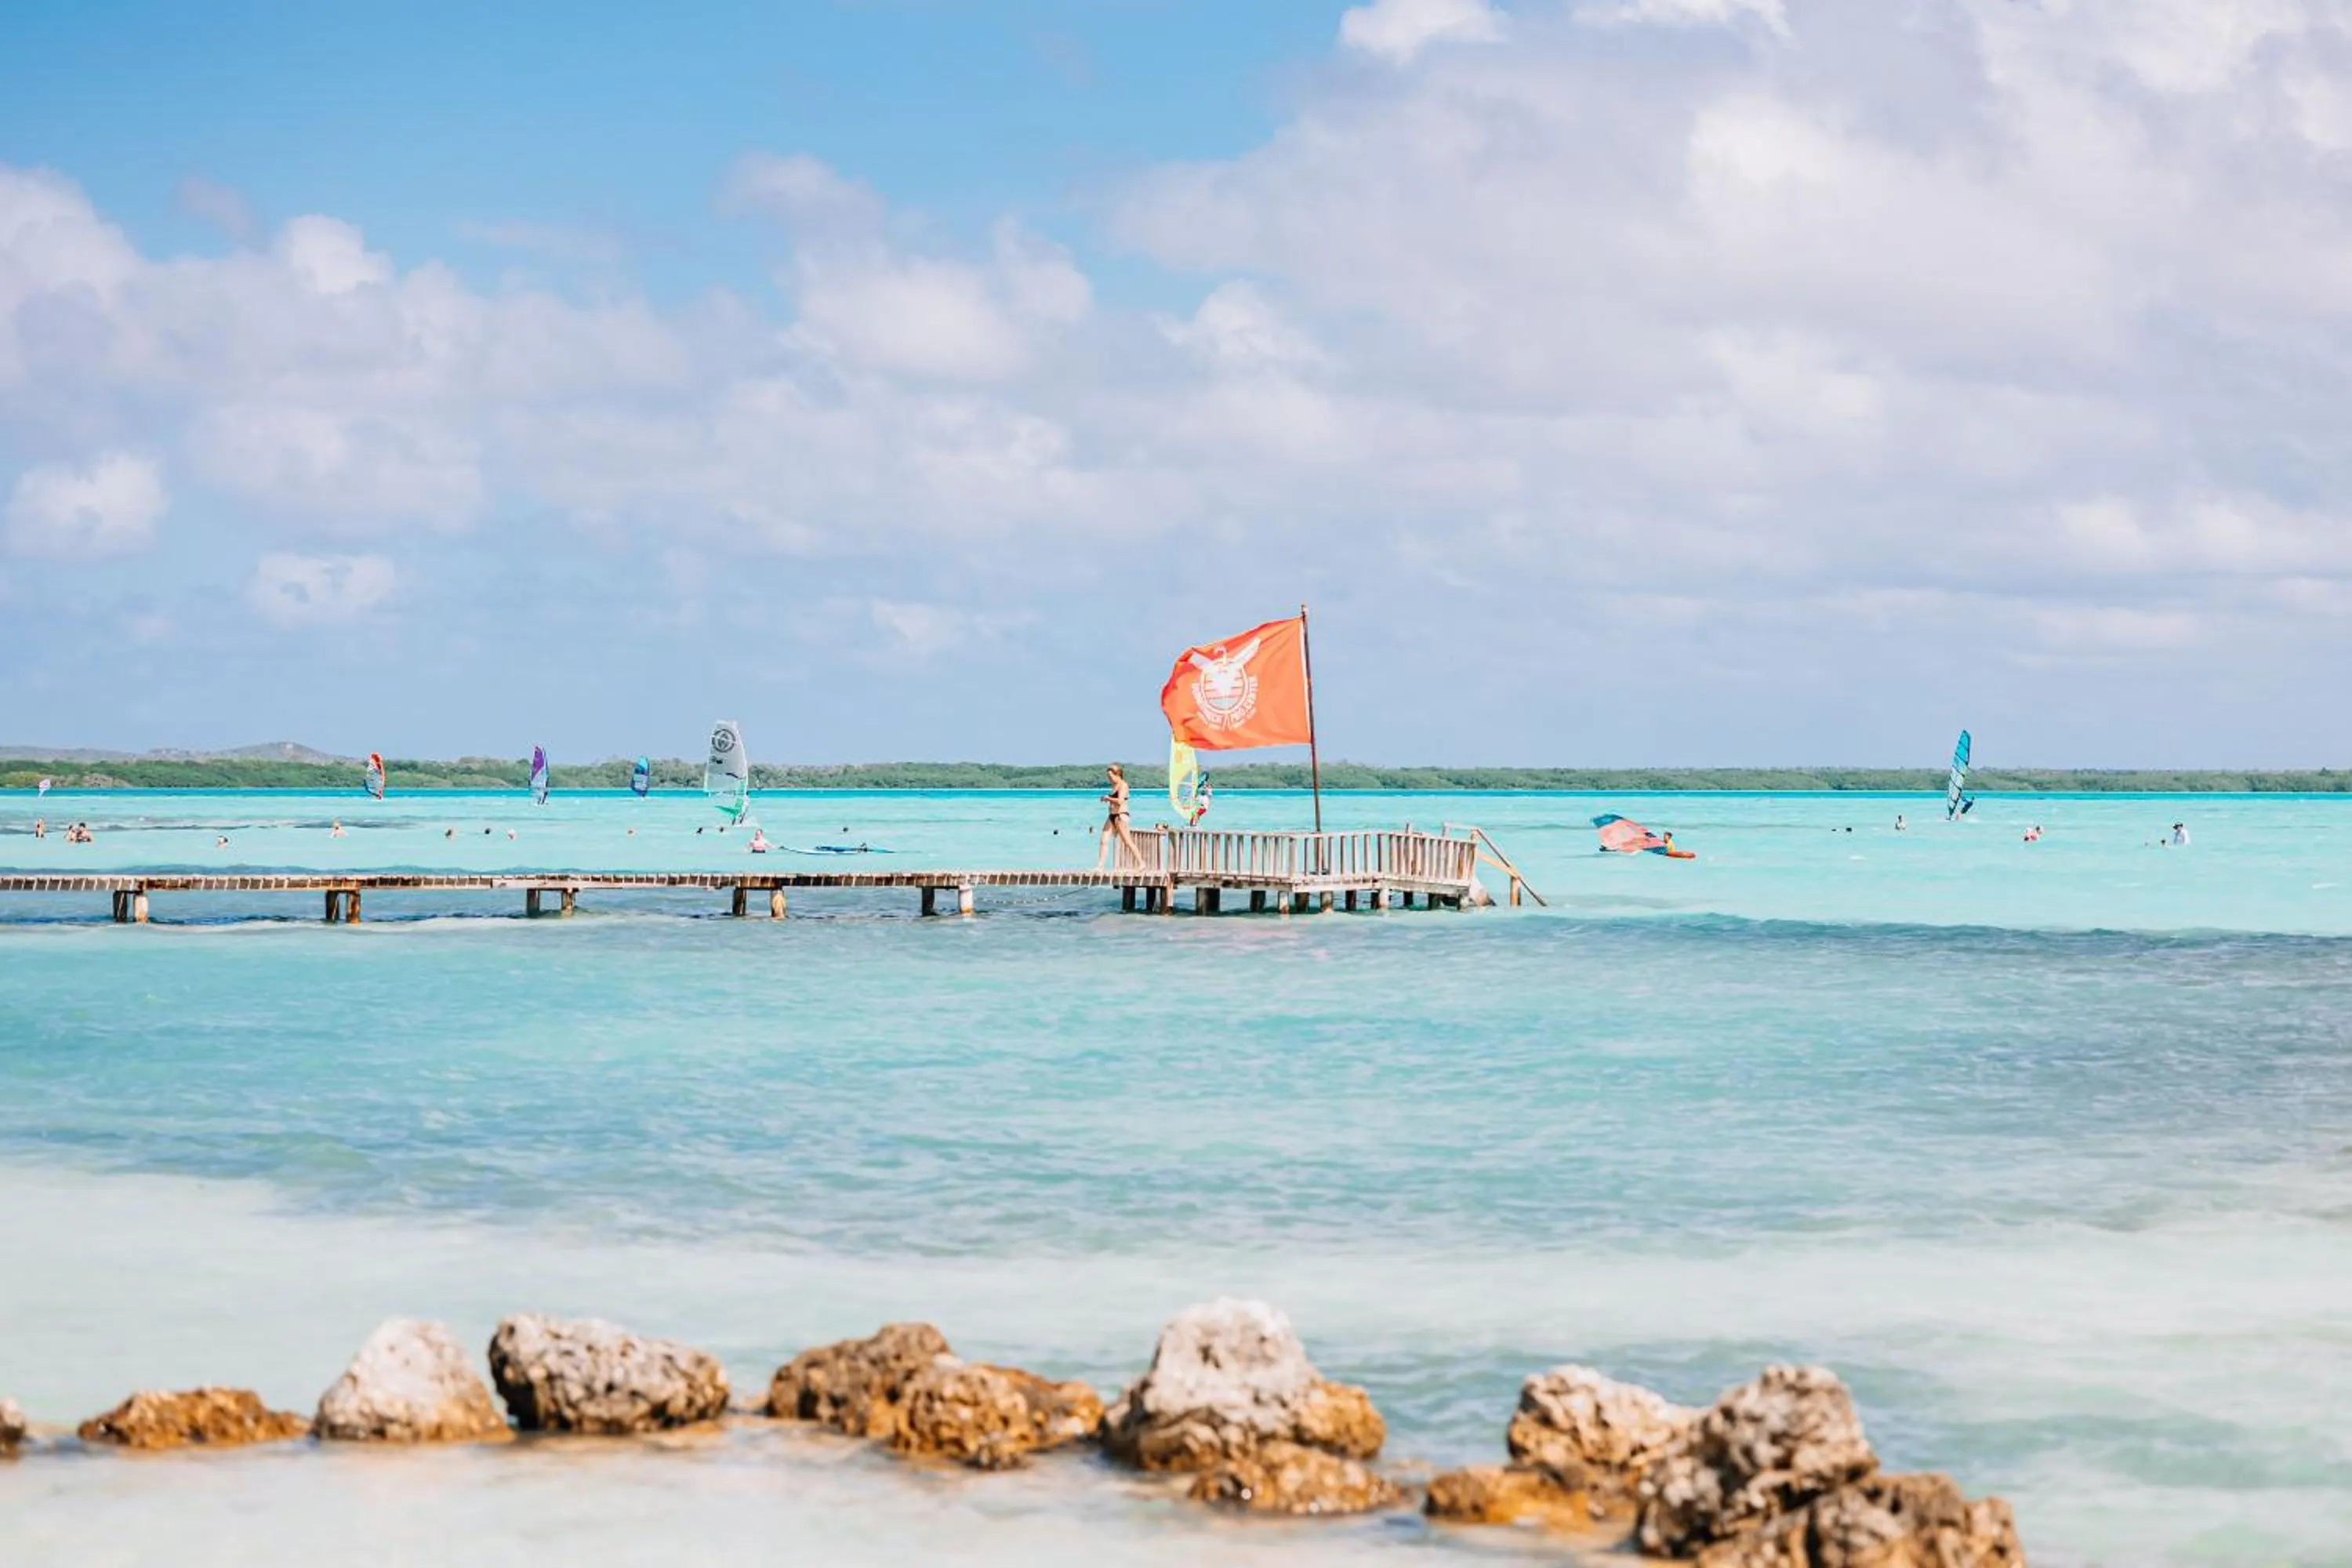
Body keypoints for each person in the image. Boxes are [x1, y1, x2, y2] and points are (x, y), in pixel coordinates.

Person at [1095, 763, 1142, 870]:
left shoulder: (1123, 785)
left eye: (1111, 777)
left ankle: (1141, 863)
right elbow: (1113, 800)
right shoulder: (1114, 787)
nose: (1109, 779)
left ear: (1118, 774)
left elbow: (1120, 801)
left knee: (1127, 842)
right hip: (1111, 816)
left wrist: (1108, 799)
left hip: (1121, 815)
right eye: (1108, 777)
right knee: (1104, 840)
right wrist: (1106, 799)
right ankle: (1100, 866)